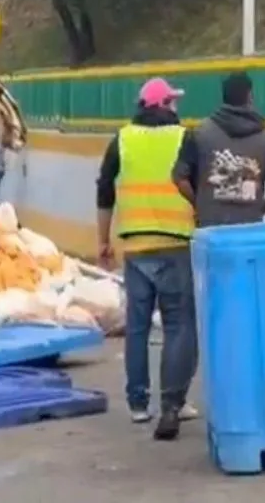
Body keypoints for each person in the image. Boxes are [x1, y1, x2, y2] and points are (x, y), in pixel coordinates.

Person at [95, 77, 198, 441]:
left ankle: (139, 404)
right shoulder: (186, 138)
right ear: (164, 104)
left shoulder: (122, 139)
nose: (176, 107)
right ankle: (175, 401)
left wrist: (103, 240)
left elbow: (104, 188)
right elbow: (198, 186)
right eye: (173, 101)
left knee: (137, 327)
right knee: (178, 326)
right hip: (175, 245)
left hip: (135, 247)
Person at [172, 70, 265, 227]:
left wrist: (200, 205)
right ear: (250, 96)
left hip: (210, 229)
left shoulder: (199, 134)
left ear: (224, 97)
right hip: (248, 229)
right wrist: (257, 211)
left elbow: (179, 177)